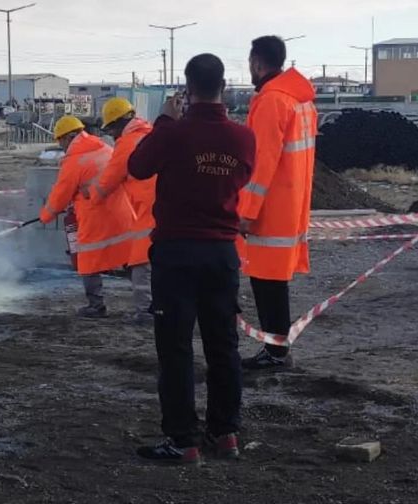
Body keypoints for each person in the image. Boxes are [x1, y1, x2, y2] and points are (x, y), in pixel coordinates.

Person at [128, 54, 256, 464]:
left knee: (176, 348)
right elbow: (242, 177)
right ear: (224, 86)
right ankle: (225, 432)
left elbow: (137, 166)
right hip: (222, 253)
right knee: (223, 346)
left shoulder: (174, 133)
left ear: (187, 89)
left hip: (177, 252)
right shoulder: (243, 138)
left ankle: (183, 440)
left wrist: (165, 121)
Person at [239, 36, 317, 370]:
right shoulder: (300, 101)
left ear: (257, 62)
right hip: (290, 206)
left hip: (270, 211)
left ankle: (275, 352)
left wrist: (246, 211)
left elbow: (261, 162)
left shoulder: (272, 101)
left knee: (266, 282)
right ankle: (276, 350)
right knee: (273, 282)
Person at [39, 115, 134, 318]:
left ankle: (96, 305)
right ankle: (148, 302)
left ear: (68, 137)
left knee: (88, 259)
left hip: (95, 218)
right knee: (129, 257)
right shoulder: (104, 148)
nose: (61, 146)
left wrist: (45, 216)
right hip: (122, 214)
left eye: (60, 141)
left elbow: (60, 195)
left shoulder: (74, 161)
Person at [90, 97, 155, 323]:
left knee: (140, 262)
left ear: (119, 123)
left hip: (150, 208)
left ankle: (146, 312)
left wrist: (91, 196)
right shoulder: (151, 133)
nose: (112, 135)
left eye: (111, 129)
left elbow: (108, 181)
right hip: (167, 205)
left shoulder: (127, 143)